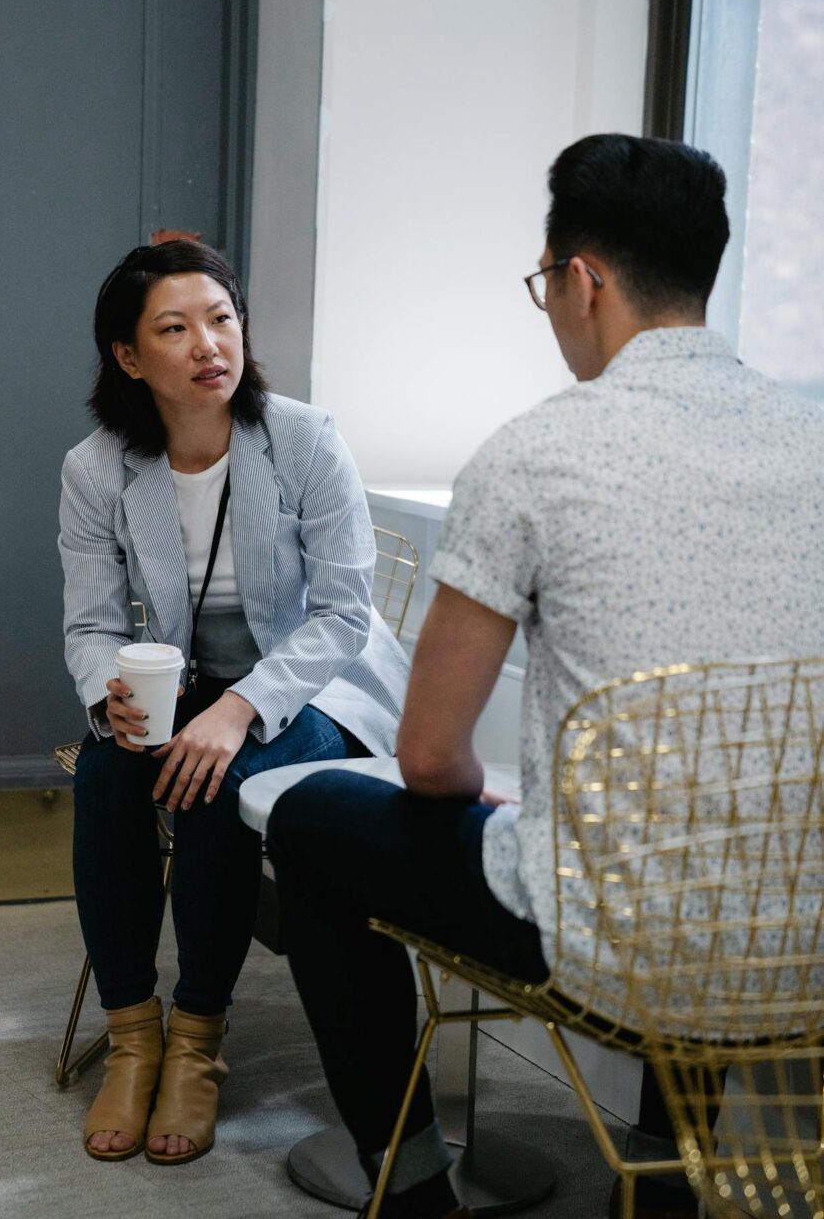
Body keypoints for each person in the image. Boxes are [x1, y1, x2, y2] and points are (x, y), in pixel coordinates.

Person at [265, 133, 824, 1219]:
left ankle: (415, 1184)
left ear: (581, 279)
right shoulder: (810, 442)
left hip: (611, 939)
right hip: (797, 916)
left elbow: (428, 757)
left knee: (311, 819)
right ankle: (663, 1194)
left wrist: (491, 794)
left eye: (543, 284)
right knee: (717, 841)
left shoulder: (534, 452)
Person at [58, 239, 409, 1165]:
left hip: (318, 682)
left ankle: (197, 1044)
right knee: (105, 777)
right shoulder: (97, 469)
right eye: (175, 328)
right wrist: (110, 701)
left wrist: (243, 708)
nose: (210, 343)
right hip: (189, 681)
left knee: (211, 781)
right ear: (130, 358)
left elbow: (342, 614)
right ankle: (134, 1040)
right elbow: (90, 627)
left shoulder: (302, 437)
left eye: (222, 319)